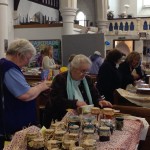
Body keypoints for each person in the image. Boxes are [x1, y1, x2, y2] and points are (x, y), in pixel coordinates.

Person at [0, 39, 49, 149]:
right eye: (28, 58)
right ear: (19, 55)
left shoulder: (4, 64)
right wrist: (42, 86)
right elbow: (25, 95)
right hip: (13, 124)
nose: (28, 62)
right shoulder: (9, 68)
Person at [43, 54, 112, 128]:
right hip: (62, 118)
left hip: (84, 119)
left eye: (86, 71)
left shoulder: (87, 79)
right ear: (73, 68)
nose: (84, 74)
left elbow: (95, 95)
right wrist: (75, 103)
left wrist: (99, 101)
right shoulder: (60, 79)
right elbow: (56, 100)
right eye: (82, 71)